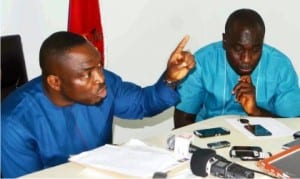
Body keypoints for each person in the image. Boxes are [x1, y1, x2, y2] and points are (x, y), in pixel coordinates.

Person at [1, 31, 195, 178]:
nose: (100, 78)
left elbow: (143, 103)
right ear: (55, 82)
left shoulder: (103, 85)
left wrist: (170, 79)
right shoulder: (13, 124)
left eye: (99, 66)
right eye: (87, 73)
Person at [174, 8, 300, 129]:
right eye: (238, 49)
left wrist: (255, 111)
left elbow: (294, 127)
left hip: (266, 145)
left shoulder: (280, 66)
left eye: (255, 49)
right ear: (225, 41)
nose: (246, 59)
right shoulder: (202, 62)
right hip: (211, 143)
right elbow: (182, 122)